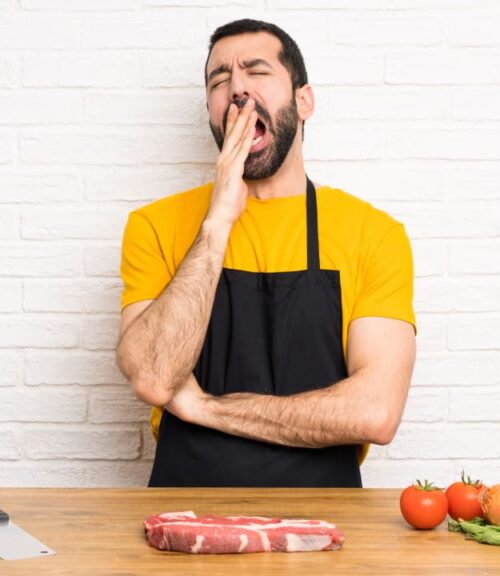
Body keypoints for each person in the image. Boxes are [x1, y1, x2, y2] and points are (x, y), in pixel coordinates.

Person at [116, 19, 416, 488]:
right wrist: (216, 223)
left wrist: (206, 408)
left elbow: (375, 412)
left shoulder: (371, 234)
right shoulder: (155, 226)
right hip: (184, 517)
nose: (237, 89)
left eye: (256, 72)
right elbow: (154, 378)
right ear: (211, 109)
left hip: (327, 525)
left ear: (303, 101)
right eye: (219, 81)